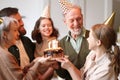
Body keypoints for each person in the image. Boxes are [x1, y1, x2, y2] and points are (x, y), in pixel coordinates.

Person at [56, 0, 90, 80]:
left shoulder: (93, 37)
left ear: (82, 17)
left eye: (78, 19)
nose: (76, 23)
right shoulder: (61, 43)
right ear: (65, 21)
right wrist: (57, 67)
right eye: (71, 20)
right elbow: (63, 75)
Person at [31, 5, 59, 79]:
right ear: (38, 29)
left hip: (48, 76)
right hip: (36, 74)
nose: (47, 27)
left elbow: (53, 65)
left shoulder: (54, 42)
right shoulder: (38, 42)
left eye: (49, 25)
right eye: (43, 26)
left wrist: (43, 77)